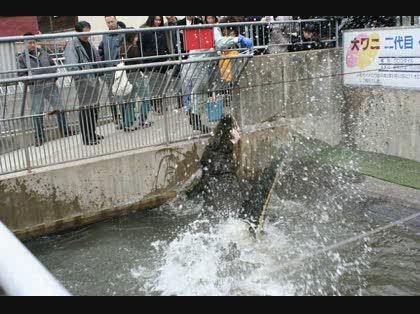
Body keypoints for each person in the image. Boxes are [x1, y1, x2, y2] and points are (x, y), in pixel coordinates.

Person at [181, 16, 253, 134]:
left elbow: (215, 47)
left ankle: (195, 118)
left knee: (199, 92)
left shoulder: (211, 29)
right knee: (199, 92)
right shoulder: (215, 30)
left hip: (197, 64)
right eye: (231, 31)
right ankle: (195, 119)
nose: (231, 34)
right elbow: (219, 43)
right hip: (198, 65)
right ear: (226, 29)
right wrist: (237, 39)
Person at [18, 32, 72, 147]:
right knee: (37, 113)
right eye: (29, 43)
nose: (32, 45)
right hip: (36, 88)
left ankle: (65, 131)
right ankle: (39, 137)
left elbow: (53, 66)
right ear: (25, 44)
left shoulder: (44, 53)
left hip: (50, 86)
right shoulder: (22, 58)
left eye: (33, 42)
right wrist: (34, 80)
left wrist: (53, 78)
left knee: (59, 108)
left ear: (36, 42)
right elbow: (21, 75)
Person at [64, 21, 103, 146]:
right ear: (78, 32)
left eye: (88, 31)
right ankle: (87, 137)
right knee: (86, 109)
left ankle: (92, 132)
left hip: (94, 79)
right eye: (84, 32)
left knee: (94, 107)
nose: (87, 35)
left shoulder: (88, 43)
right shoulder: (72, 45)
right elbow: (71, 66)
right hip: (83, 81)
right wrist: (82, 77)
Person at [119, 29, 152, 130]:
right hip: (137, 76)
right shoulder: (133, 47)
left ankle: (127, 123)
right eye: (136, 36)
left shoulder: (122, 47)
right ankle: (142, 119)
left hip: (127, 77)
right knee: (146, 98)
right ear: (132, 37)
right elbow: (139, 63)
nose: (137, 38)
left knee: (130, 101)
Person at [140, 16, 170, 115]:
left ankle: (159, 103)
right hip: (151, 62)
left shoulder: (161, 30)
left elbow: (165, 44)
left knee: (162, 84)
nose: (158, 22)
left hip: (162, 61)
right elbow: (141, 47)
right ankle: (156, 105)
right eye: (156, 20)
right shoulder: (144, 29)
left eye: (159, 20)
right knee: (154, 85)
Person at [98, 16, 124, 128]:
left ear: (116, 21)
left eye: (112, 22)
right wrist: (103, 66)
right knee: (111, 96)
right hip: (109, 70)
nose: (110, 24)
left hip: (120, 69)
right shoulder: (105, 35)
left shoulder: (123, 33)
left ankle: (125, 117)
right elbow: (101, 51)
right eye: (108, 22)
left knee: (122, 94)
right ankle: (115, 117)